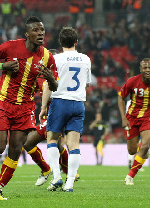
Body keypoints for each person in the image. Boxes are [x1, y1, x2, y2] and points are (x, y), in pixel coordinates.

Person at [0, 16, 58, 200]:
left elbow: (55, 87)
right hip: (2, 101)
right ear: (27, 34)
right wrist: (2, 65)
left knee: (16, 149)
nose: (40, 34)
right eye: (36, 31)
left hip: (25, 108)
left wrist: (50, 78)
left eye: (42, 31)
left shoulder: (47, 56)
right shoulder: (10, 46)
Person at [39, 27, 91, 192]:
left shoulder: (56, 59)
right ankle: (69, 184)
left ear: (60, 43)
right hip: (78, 104)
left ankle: (56, 177)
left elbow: (48, 85)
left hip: (60, 101)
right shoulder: (86, 59)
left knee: (52, 140)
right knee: (73, 144)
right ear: (76, 42)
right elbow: (87, 83)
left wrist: (42, 107)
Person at [117, 58, 150, 185]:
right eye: (145, 68)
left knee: (146, 146)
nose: (147, 70)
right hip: (132, 118)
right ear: (140, 69)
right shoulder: (132, 81)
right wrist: (123, 118)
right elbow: (121, 97)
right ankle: (142, 151)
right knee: (132, 151)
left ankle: (130, 176)